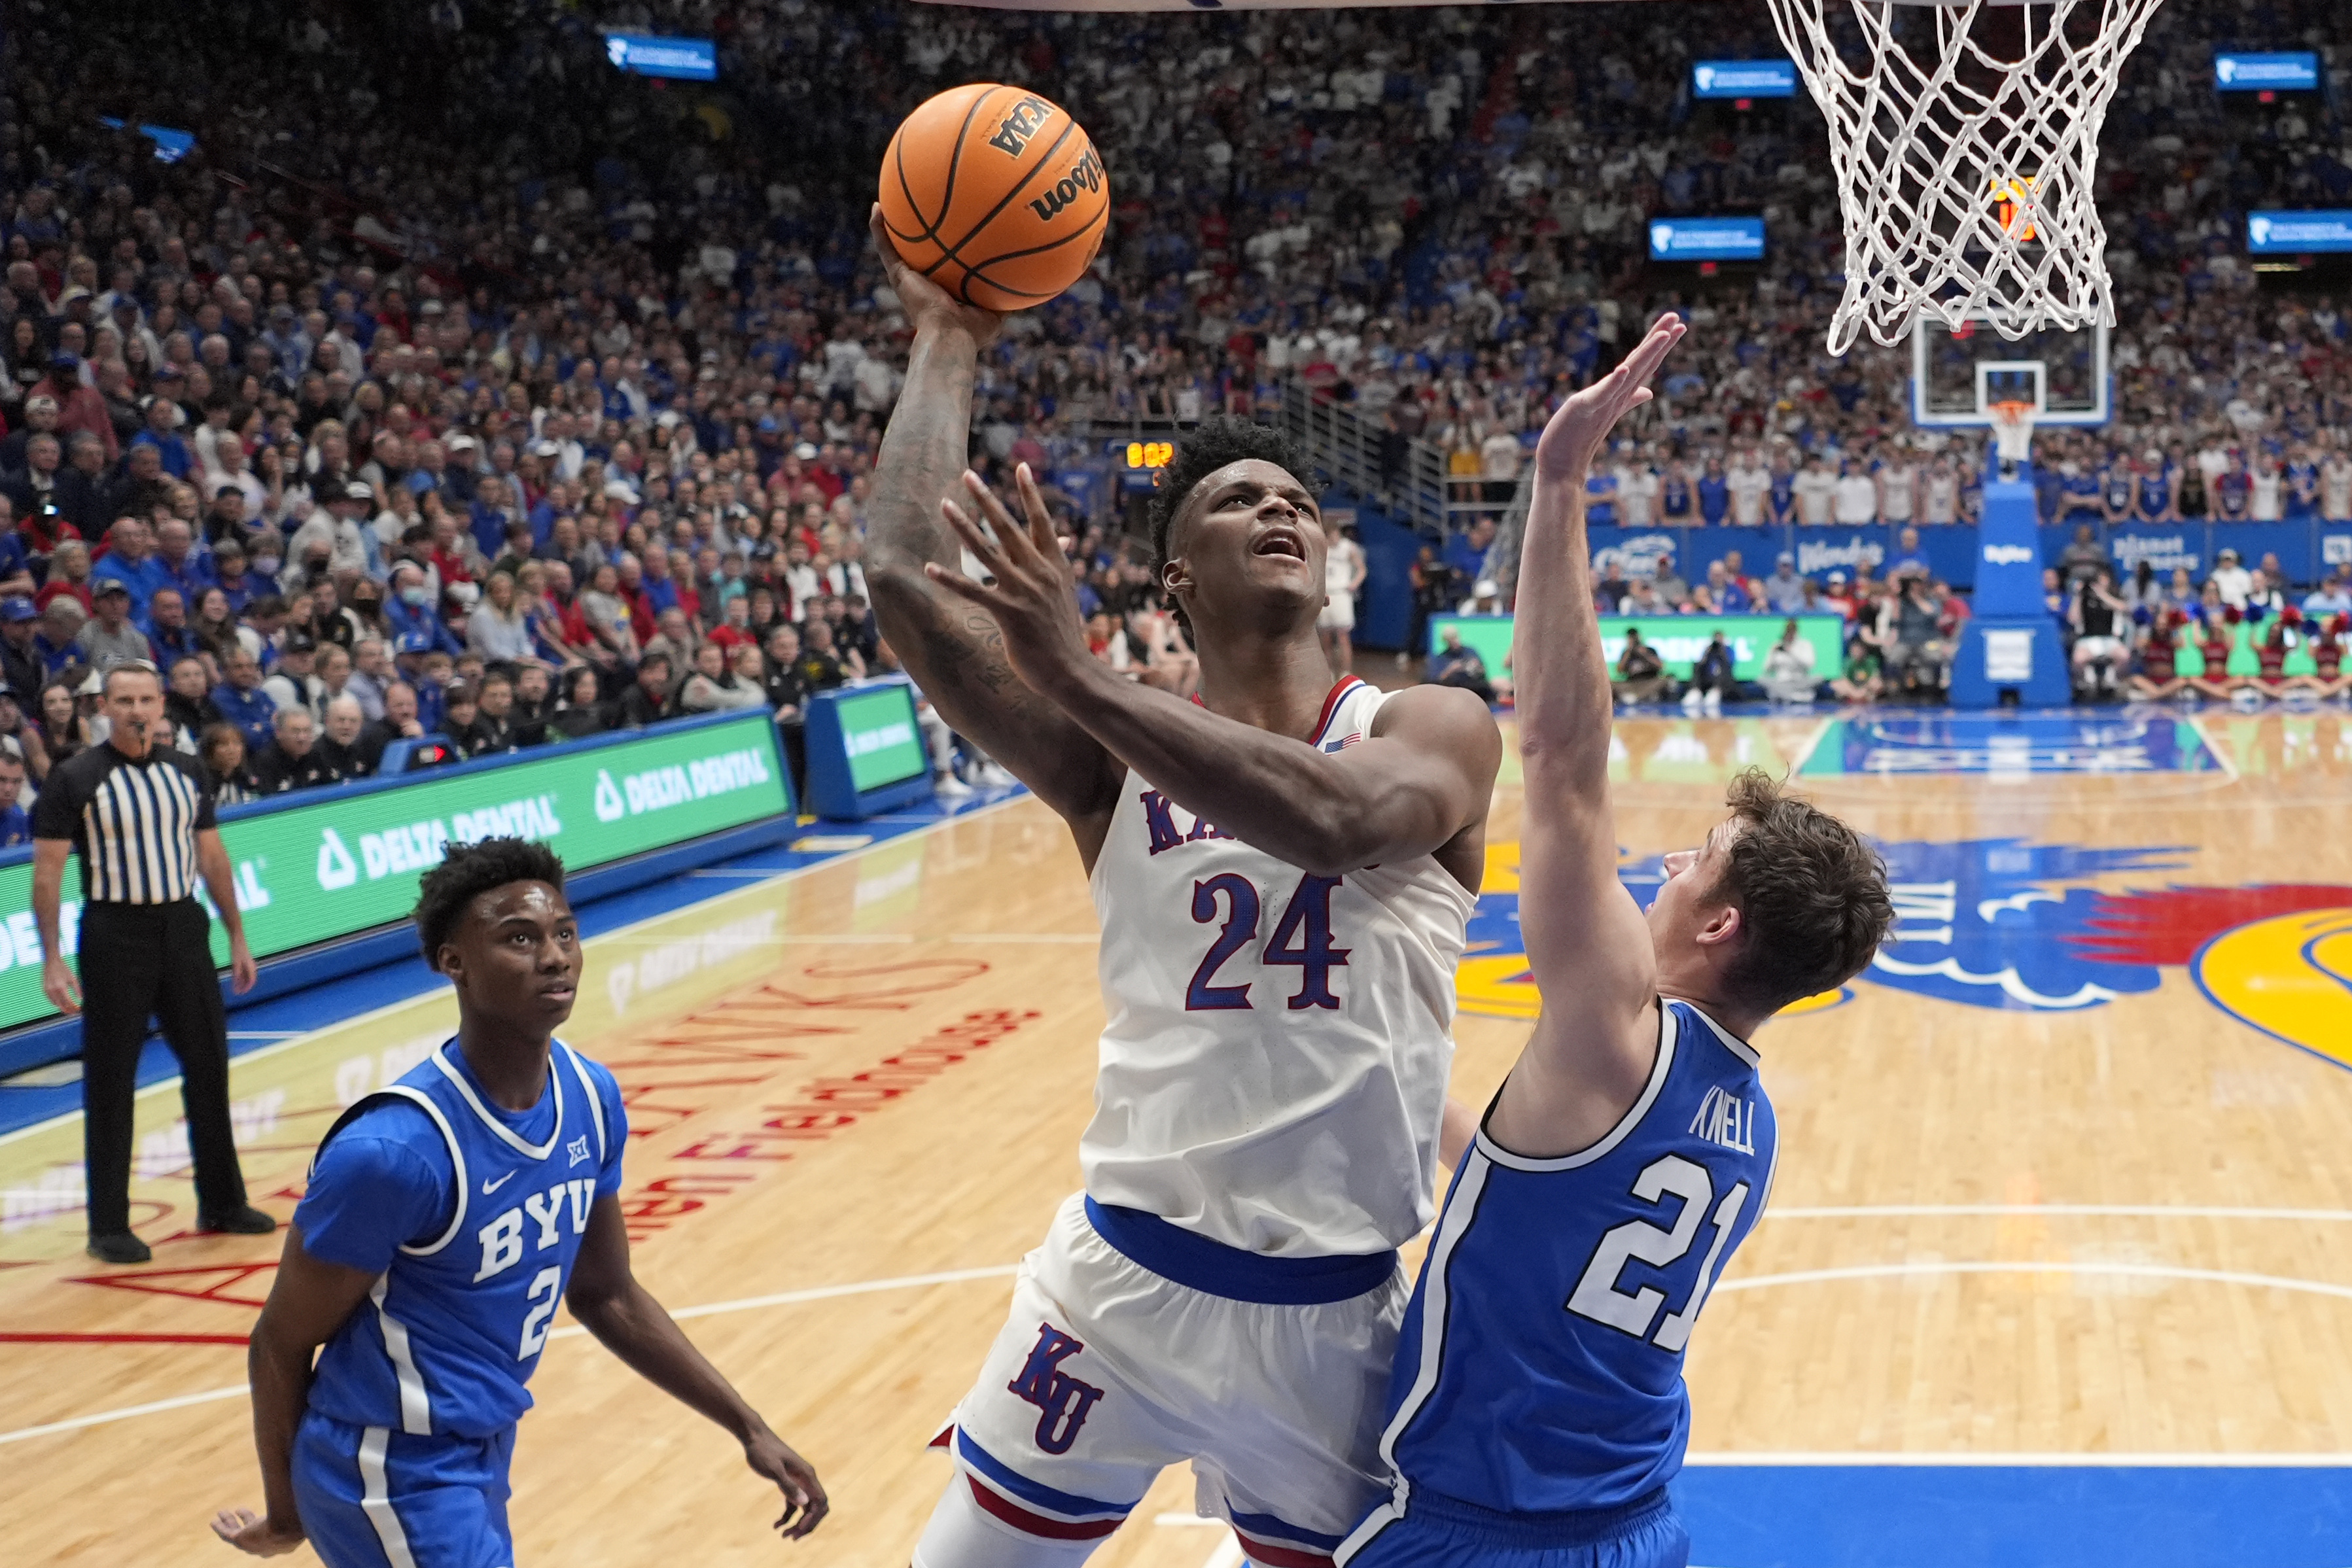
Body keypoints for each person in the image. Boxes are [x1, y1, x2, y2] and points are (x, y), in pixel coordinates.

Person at [867, 209, 1501, 1565]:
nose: (1280, 508)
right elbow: (901, 579)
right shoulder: (1108, 764)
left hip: (1336, 1318)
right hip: (1115, 1290)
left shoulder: (1433, 725)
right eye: (1237, 500)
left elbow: (1342, 827)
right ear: (1176, 574)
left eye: (1300, 504)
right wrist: (945, 338)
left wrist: (1078, 671)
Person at [1340, 314, 1893, 1568]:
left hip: (1485, 1532)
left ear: (1720, 922)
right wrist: (1392, 1056)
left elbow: (1564, 762)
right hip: (1635, 1522)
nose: (1661, 865)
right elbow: (1535, 1185)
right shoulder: (1743, 1116)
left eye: (1691, 860)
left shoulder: (1613, 1032)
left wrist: (1560, 482)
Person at [210, 838, 826, 1563]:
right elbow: (280, 1341)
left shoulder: (589, 1096)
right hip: (386, 1468)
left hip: (478, 1453)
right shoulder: (395, 1153)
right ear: (453, 962)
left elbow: (608, 1295)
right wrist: (288, 1513)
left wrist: (746, 1425)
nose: (555, 955)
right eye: (519, 938)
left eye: (564, 932)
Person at [31, 663, 273, 1264]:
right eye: (124, 700)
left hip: (184, 926)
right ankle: (108, 1222)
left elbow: (212, 857)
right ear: (104, 707)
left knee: (210, 1065)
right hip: (114, 932)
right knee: (112, 1079)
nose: (137, 709)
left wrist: (237, 934)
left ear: (161, 704)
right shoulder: (75, 777)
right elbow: (47, 873)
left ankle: (222, 1200)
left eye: (146, 699)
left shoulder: (187, 771)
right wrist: (53, 958)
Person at [1319, 516, 1367, 678]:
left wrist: (1354, 584)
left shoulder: (1348, 548)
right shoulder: (1322, 547)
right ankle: (1329, 672)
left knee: (1343, 635)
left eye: (1335, 534)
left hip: (1341, 594)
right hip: (1326, 594)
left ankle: (1346, 672)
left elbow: (1362, 569)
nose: (1334, 538)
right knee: (1325, 636)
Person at [253, 705, 340, 794]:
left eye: (307, 731)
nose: (302, 738)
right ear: (279, 732)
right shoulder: (265, 762)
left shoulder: (317, 754)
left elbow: (334, 790)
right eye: (295, 732)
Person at [1426, 627, 1498, 705]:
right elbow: (1436, 681)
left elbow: (1483, 671)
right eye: (1451, 639)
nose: (1454, 641)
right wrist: (1451, 670)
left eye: (1455, 637)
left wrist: (1476, 666)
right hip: (1455, 690)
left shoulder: (1471, 652)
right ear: (1446, 641)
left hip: (1475, 687)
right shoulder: (1441, 658)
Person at [1761, 618, 1819, 705]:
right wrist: (1773, 654)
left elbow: (1810, 665)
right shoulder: (1777, 645)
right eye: (1788, 631)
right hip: (1781, 682)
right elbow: (1766, 670)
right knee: (1761, 679)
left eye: (1792, 631)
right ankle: (1794, 697)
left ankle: (1785, 696)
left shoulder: (1805, 644)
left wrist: (1791, 652)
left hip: (1800, 681)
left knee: (1819, 678)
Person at [1611, 627, 1668, 707]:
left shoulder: (1649, 650)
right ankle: (1636, 696)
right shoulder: (1626, 653)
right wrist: (1629, 652)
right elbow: (1619, 670)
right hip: (1632, 683)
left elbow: (1661, 666)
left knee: (1667, 680)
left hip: (1649, 682)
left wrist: (1645, 654)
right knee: (1611, 684)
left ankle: (1635, 697)